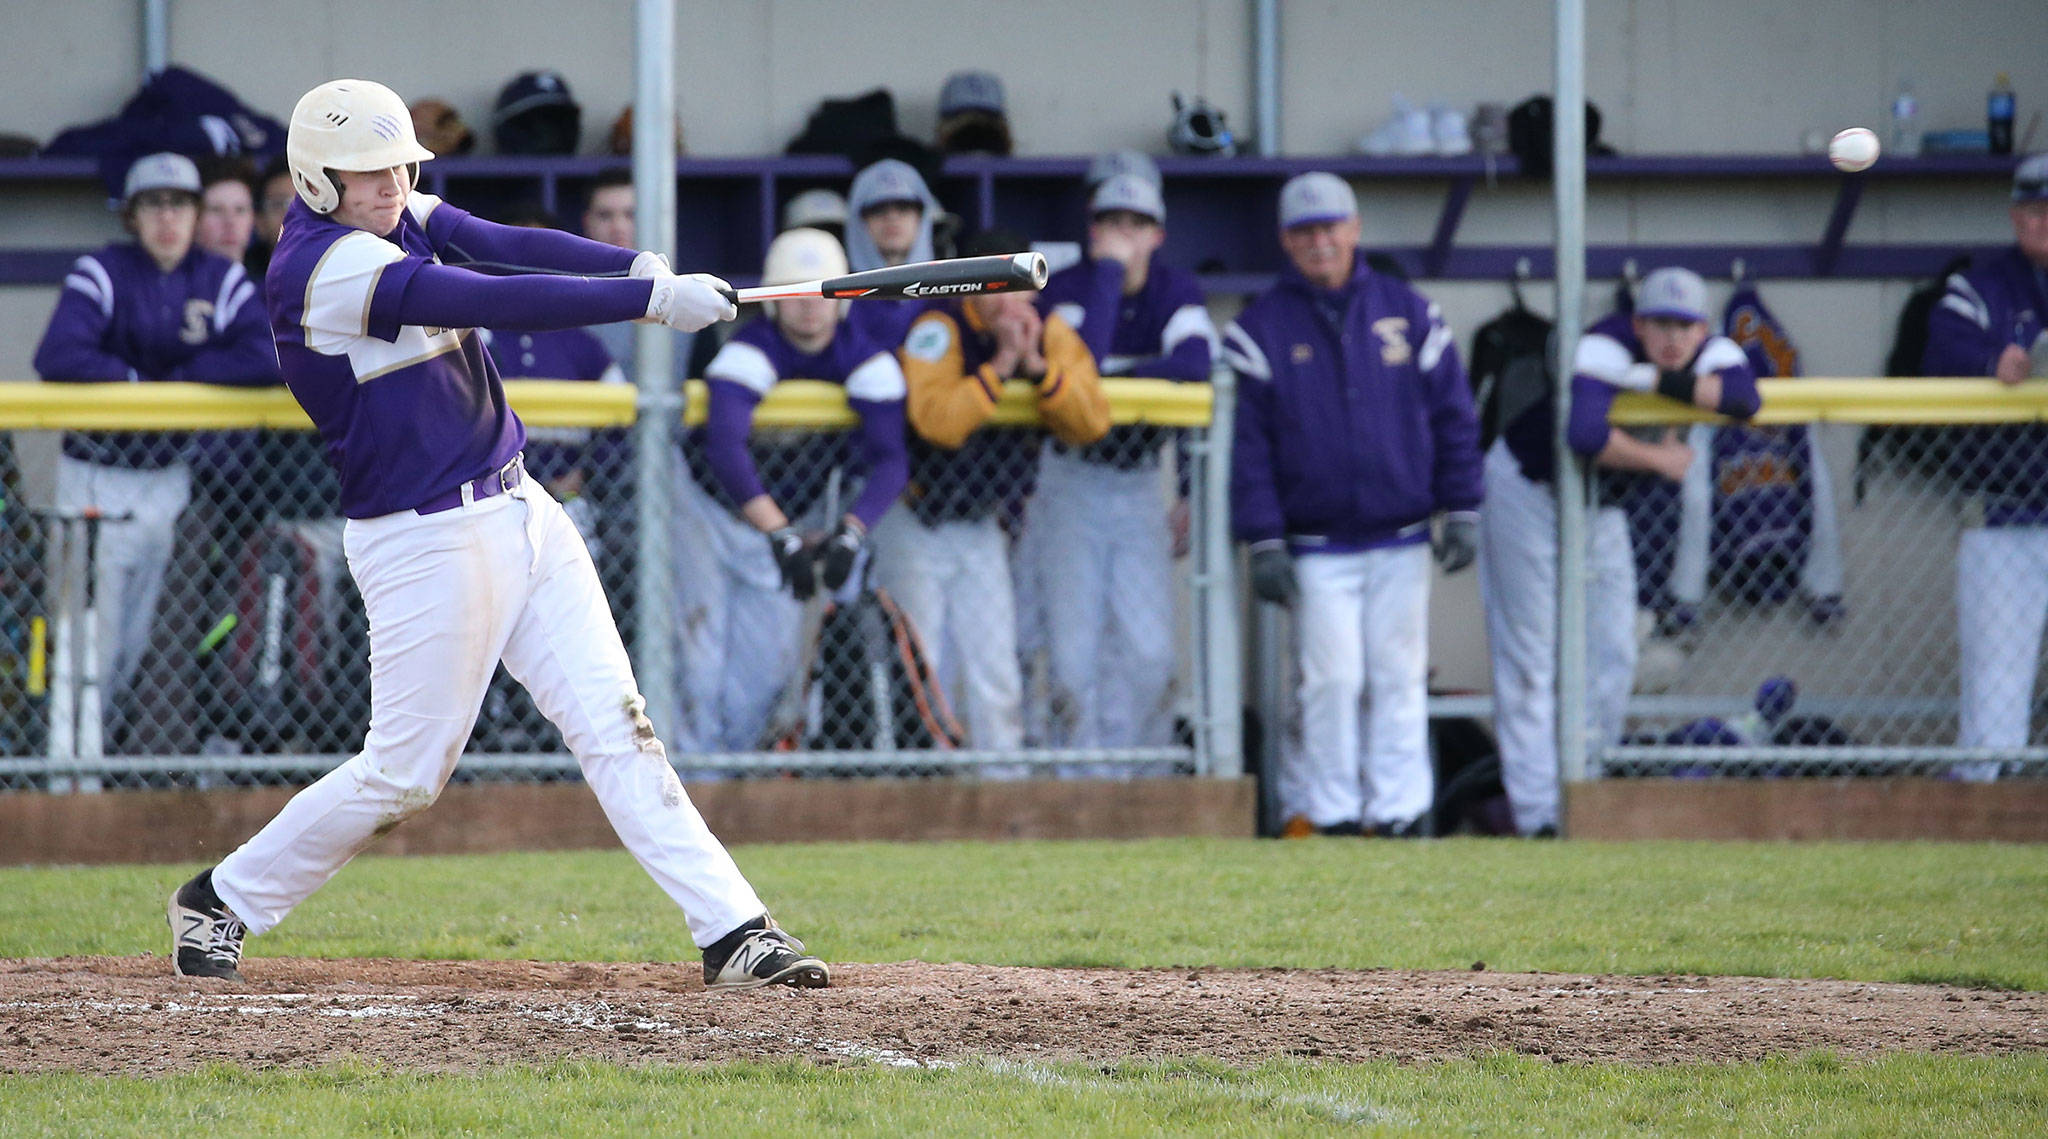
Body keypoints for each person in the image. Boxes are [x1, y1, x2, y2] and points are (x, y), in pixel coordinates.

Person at [165, 78, 828, 993]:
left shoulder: (398, 211)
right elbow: (488, 294)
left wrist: (639, 268)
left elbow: (500, 242)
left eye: (399, 165)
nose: (391, 183)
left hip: (523, 510)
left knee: (621, 729)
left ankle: (735, 930)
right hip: (424, 541)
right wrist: (645, 307)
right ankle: (223, 898)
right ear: (318, 181)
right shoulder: (323, 268)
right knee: (404, 773)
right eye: (366, 173)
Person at [1225, 172, 1483, 836]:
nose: (1320, 241)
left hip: (1400, 533)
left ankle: (1398, 814)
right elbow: (1245, 450)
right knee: (1332, 682)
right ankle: (1333, 814)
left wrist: (1462, 506)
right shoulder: (1259, 327)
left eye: (1331, 226)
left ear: (1355, 228)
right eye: (1305, 231)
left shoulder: (1410, 310)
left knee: (1397, 678)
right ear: (1286, 239)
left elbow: (1454, 417)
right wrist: (1264, 538)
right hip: (1313, 543)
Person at [1477, 265, 1761, 835]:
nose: (1673, 338)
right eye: (1660, 324)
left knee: (1614, 652)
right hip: (1528, 489)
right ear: (1638, 322)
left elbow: (1743, 398)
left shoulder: (1707, 352)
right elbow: (1582, 433)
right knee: (1533, 661)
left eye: (1685, 325)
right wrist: (1661, 460)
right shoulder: (1606, 343)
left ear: (1703, 329)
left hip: (1600, 503)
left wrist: (1655, 382)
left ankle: (1585, 790)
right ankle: (1539, 817)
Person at [31, 151, 277, 746]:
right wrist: (145, 385)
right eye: (153, 206)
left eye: (180, 205)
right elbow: (58, 355)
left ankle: (102, 763)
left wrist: (183, 379)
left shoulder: (218, 277)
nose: (168, 218)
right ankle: (71, 773)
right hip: (95, 474)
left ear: (195, 216)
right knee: (89, 638)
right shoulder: (104, 269)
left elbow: (266, 354)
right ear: (132, 217)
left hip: (169, 477)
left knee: (138, 642)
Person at [673, 226, 909, 753]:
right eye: (794, 293)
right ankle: (688, 785)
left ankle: (731, 782)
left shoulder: (865, 357)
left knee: (766, 671)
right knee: (699, 660)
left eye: (822, 293)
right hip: (708, 512)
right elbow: (725, 448)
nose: (809, 307)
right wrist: (779, 534)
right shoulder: (749, 349)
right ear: (774, 302)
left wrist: (850, 533)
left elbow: (891, 460)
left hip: (786, 523)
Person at [877, 227, 1110, 752]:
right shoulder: (937, 326)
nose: (1011, 298)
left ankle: (1003, 791)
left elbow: (1093, 420)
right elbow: (937, 421)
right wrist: (1002, 366)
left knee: (995, 671)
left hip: (981, 525)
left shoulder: (1044, 333)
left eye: (1020, 284)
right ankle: (922, 789)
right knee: (923, 666)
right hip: (918, 521)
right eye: (996, 283)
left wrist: (1036, 368)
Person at [1031, 173, 1217, 751]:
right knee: (1072, 653)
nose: (1122, 234)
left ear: (1157, 234)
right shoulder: (1064, 288)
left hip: (1140, 482)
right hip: (1068, 478)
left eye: (1135, 225)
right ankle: (1076, 786)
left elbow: (1196, 362)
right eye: (1111, 223)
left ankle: (1144, 781)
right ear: (1092, 230)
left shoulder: (1175, 289)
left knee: (1149, 650)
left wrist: (1186, 485)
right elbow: (1082, 364)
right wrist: (1109, 275)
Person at [1922, 153, 2048, 778]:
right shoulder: (1982, 282)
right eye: (2033, 207)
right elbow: (1938, 346)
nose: (2043, 218)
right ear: (2015, 215)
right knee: (1998, 677)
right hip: (2008, 510)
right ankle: (1986, 806)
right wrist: (1990, 359)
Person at [844, 158, 943, 347]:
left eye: (904, 207)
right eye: (878, 209)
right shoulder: (839, 301)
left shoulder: (947, 296)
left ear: (921, 217)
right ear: (860, 221)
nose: (892, 217)